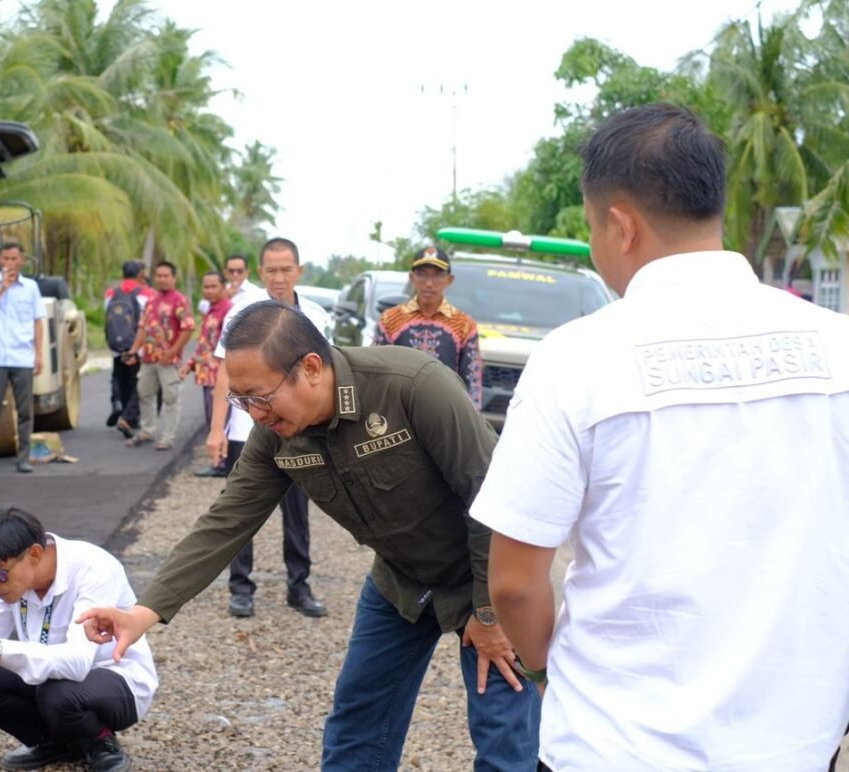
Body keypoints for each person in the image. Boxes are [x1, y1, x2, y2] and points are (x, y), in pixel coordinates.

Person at [472, 104, 849, 771]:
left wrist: (548, 673)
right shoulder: (837, 348)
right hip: (793, 745)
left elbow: (515, 583)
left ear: (621, 226)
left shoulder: (576, 359)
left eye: (592, 227)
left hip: (616, 745)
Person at [79, 301, 541, 770]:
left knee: (502, 734)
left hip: (489, 575)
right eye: (240, 400)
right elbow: (226, 520)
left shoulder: (412, 386)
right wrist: (142, 613)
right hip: (400, 580)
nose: (253, 413)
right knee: (358, 722)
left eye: (260, 396)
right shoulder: (277, 433)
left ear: (312, 369)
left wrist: (489, 612)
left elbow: (493, 499)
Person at [0, 506, 156, 772]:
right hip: (51, 679)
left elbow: (77, 663)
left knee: (57, 693)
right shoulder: (9, 582)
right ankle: (55, 742)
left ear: (35, 554)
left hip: (117, 680)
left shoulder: (94, 570)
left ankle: (100, 742)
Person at [207, 238, 330, 618]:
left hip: (298, 431)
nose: (279, 277)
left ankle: (299, 585)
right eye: (271, 270)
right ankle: (241, 587)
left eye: (286, 270)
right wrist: (217, 430)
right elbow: (224, 375)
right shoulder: (241, 315)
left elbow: (326, 375)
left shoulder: (315, 316)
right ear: (261, 273)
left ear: (299, 271)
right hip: (247, 430)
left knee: (298, 513)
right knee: (241, 509)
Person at [375, 246, 483, 411]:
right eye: (422, 274)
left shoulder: (464, 324)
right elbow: (377, 371)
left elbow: (472, 379)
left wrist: (471, 417)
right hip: (399, 410)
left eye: (438, 275)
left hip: (445, 410)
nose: (429, 283)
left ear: (449, 280)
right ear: (412, 278)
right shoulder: (390, 319)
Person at [0, 242, 45, 475]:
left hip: (22, 356)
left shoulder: (31, 287)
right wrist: (1, 289)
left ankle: (23, 458)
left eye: (14, 259)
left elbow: (37, 321)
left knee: (25, 411)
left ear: (22, 260)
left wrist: (39, 354)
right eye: (6, 258)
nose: (10, 263)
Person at [119, 261, 193, 451]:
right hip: (148, 359)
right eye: (159, 275)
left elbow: (187, 329)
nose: (162, 279)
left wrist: (172, 352)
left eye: (166, 276)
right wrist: (133, 351)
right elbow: (143, 328)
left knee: (170, 398)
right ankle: (147, 431)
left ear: (174, 278)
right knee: (144, 394)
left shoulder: (180, 300)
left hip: (169, 361)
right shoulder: (151, 300)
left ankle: (167, 437)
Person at [178, 270, 232, 433]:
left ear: (223, 287)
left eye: (214, 286)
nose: (209, 291)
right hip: (207, 375)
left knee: (219, 423)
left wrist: (224, 383)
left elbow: (231, 348)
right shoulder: (210, 310)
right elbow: (205, 344)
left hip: (220, 376)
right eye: (206, 287)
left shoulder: (228, 311)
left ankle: (222, 450)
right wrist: (189, 365)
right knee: (211, 419)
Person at [103, 260, 152, 431]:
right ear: (141, 274)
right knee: (136, 380)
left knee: (119, 376)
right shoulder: (146, 293)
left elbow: (107, 316)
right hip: (137, 344)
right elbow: (148, 319)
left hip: (116, 343)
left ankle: (118, 403)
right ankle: (130, 417)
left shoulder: (111, 292)